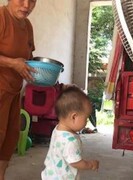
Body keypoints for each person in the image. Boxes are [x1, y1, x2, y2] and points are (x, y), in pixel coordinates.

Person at [0, 0, 37, 179]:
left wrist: (42, 70)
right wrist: (12, 63)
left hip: (14, 93)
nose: (26, 5)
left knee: (9, 140)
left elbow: (28, 57)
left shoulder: (27, 25)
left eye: (32, 0)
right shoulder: (1, 17)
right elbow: (17, 62)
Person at [41, 86, 99, 179]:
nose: (86, 122)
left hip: (51, 175)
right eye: (86, 118)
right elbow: (75, 162)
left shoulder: (57, 129)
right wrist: (90, 164)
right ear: (74, 117)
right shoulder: (70, 141)